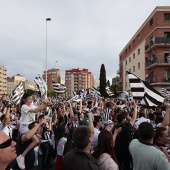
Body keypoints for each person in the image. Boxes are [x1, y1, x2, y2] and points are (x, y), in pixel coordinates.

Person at [16, 93, 48, 169]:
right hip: (24, 127)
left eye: (31, 99)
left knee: (38, 140)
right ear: (24, 100)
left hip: (30, 127)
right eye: (29, 99)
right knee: (36, 140)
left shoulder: (31, 105)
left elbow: (39, 109)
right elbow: (35, 110)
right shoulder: (24, 106)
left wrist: (45, 104)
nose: (31, 100)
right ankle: (22, 156)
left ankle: (28, 153)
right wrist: (43, 103)